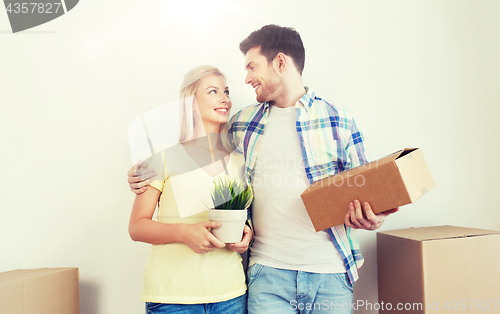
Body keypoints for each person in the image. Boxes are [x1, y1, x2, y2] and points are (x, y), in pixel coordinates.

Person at [128, 25, 397, 314]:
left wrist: (373, 217)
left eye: (252, 67)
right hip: (266, 274)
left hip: (329, 271)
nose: (247, 78)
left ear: (280, 63)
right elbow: (196, 151)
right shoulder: (242, 124)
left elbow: (366, 189)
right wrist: (142, 172)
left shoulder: (340, 120)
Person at [128, 65, 252, 314]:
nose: (224, 98)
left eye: (226, 91)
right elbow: (137, 226)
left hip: (231, 294)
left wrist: (246, 235)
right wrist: (185, 233)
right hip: (173, 298)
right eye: (213, 91)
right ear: (191, 103)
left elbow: (244, 217)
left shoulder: (241, 161)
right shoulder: (163, 157)